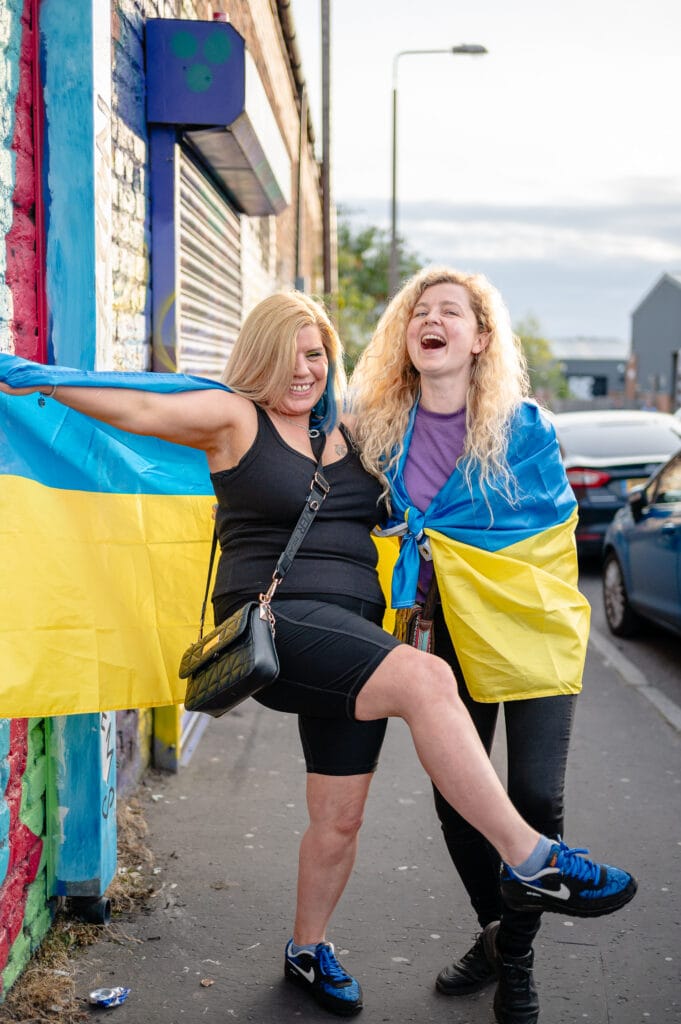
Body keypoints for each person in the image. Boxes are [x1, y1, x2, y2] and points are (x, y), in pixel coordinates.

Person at [0, 291, 636, 1020]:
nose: (304, 371)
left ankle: (307, 949)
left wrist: (498, 412)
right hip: (279, 626)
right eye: (289, 354)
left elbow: (444, 440)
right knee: (428, 679)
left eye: (316, 356)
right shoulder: (233, 419)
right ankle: (533, 860)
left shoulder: (356, 430)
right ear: (258, 357)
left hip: (356, 640)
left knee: (339, 816)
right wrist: (33, 377)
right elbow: (139, 407)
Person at [350, 267, 595, 1024]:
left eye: (451, 312)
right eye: (420, 311)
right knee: (457, 797)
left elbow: (549, 536)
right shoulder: (376, 426)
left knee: (534, 797)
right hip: (437, 627)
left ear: (480, 338)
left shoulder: (524, 428)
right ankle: (497, 934)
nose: (433, 320)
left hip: (526, 623)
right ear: (407, 335)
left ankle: (512, 960)